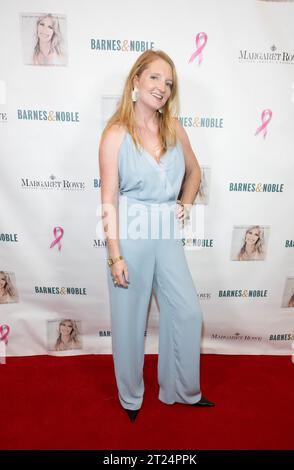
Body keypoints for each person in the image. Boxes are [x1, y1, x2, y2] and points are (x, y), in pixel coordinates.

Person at [99, 49, 215, 423]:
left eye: (168, 82)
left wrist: (183, 203)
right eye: (154, 78)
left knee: (187, 312)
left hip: (166, 231)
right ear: (136, 80)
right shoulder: (116, 133)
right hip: (130, 231)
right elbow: (108, 199)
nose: (162, 87)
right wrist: (115, 255)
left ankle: (182, 390)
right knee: (130, 321)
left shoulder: (174, 128)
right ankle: (131, 397)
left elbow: (195, 173)